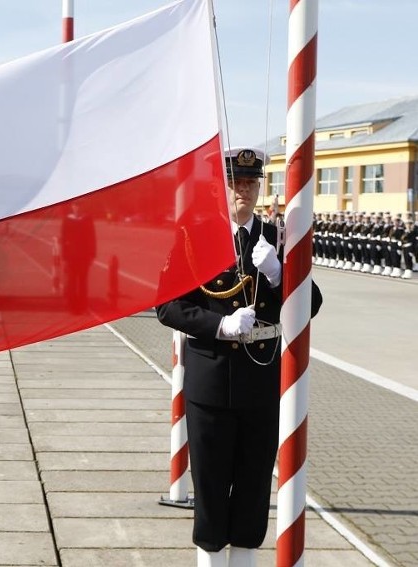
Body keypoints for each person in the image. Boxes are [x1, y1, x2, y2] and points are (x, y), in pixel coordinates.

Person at [156, 148, 323, 567]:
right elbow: (168, 307)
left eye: (250, 182)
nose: (242, 190)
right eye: (235, 182)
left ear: (259, 186)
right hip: (210, 380)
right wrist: (219, 325)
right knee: (211, 487)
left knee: (252, 487)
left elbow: (312, 302)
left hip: (260, 381)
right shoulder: (195, 236)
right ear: (222, 186)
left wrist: (280, 275)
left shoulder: (279, 237)